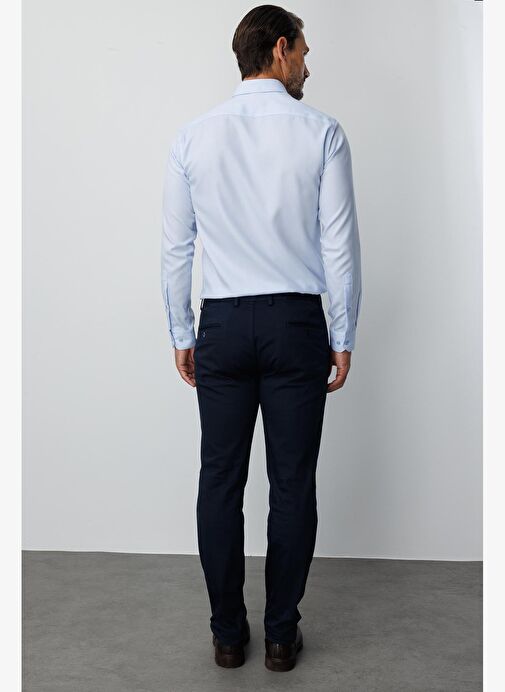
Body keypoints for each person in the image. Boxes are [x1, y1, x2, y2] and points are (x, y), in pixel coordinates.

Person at [160, 4, 362, 672]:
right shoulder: (321, 132)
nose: (307, 63)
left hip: (221, 324)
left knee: (219, 479)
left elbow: (177, 248)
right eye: (303, 50)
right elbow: (339, 245)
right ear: (279, 49)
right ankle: (279, 636)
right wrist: (342, 332)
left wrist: (182, 330)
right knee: (292, 483)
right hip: (295, 325)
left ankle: (226, 635)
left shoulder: (193, 136)